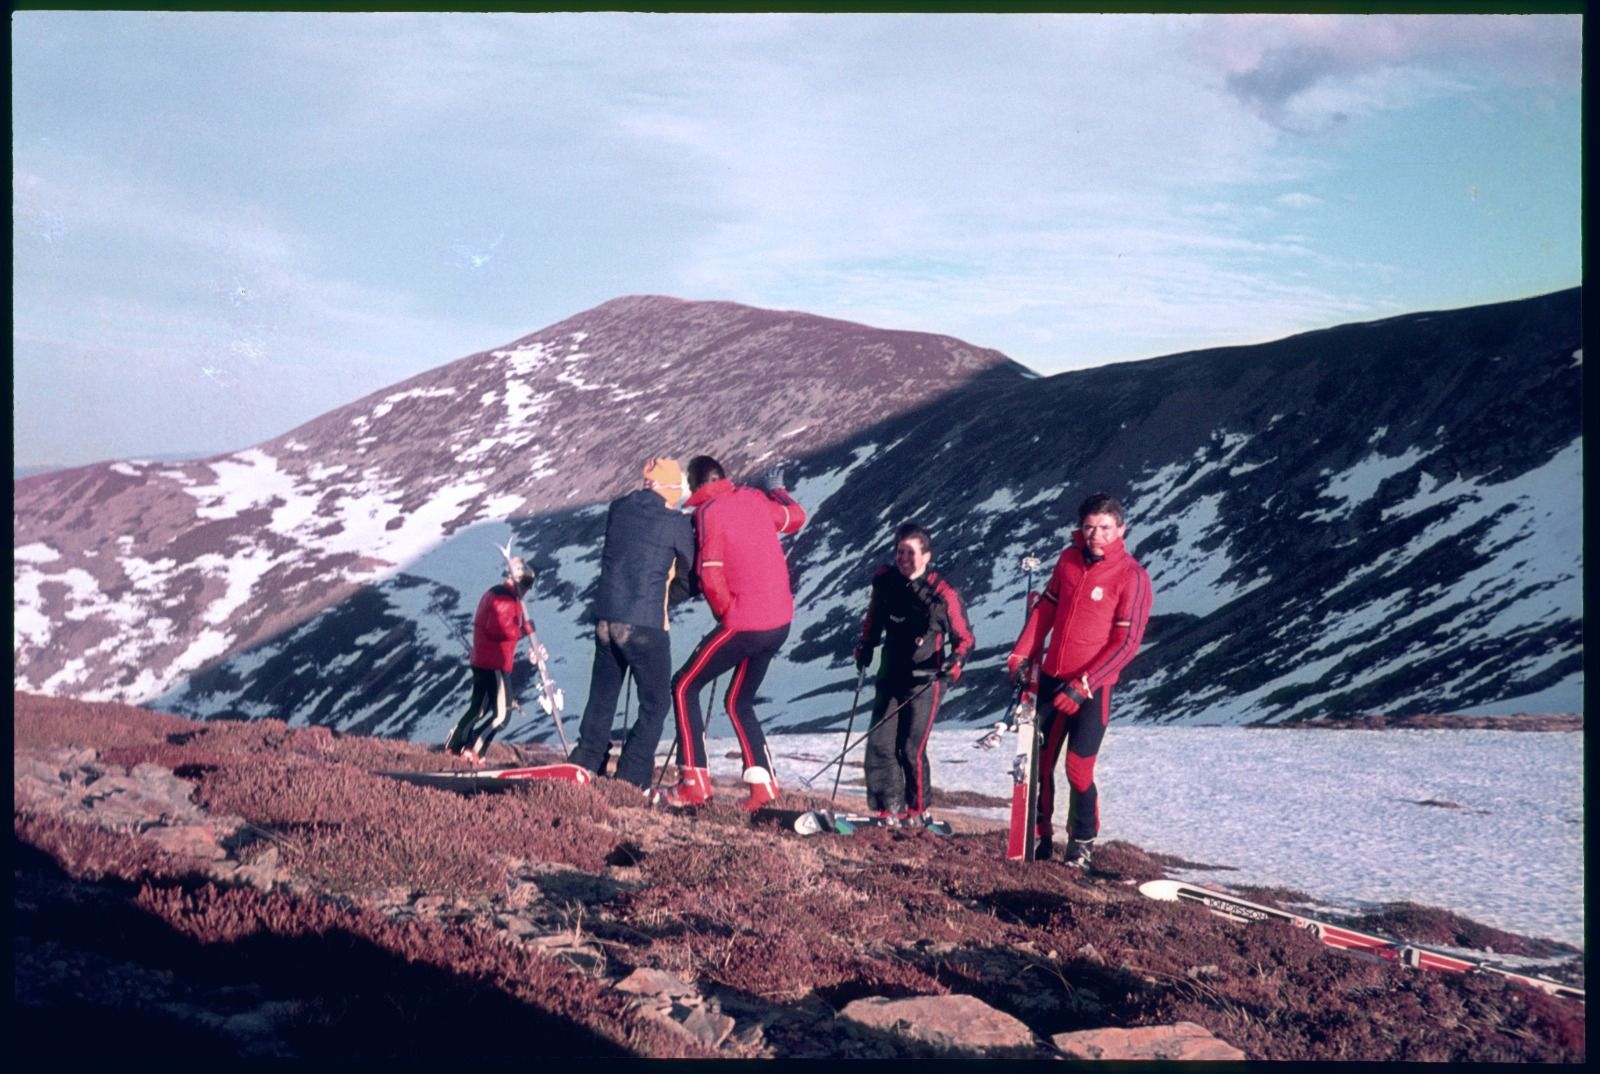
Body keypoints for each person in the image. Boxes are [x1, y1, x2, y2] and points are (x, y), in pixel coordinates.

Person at [1007, 493, 1152, 868]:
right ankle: (1038, 837)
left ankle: (1081, 844)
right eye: (1089, 527)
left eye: (1105, 528)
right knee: (1039, 764)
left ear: (1121, 529)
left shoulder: (1131, 577)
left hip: (1092, 690)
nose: (1096, 535)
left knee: (1077, 768)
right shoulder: (1069, 561)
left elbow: (1126, 644)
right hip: (1052, 680)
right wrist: (1022, 652)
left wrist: (1084, 684)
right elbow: (1047, 608)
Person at [660, 455, 806, 809]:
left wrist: (727, 614)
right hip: (780, 622)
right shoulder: (755, 499)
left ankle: (693, 782)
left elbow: (710, 574)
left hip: (745, 622)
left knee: (683, 686)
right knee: (739, 701)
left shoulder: (708, 512)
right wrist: (778, 490)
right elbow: (795, 518)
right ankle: (764, 788)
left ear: (695, 486)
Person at [568, 457, 697, 789]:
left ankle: (586, 762)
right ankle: (631, 777)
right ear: (671, 488)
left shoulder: (618, 509)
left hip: (606, 618)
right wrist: (670, 598)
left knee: (603, 695)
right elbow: (689, 573)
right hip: (645, 622)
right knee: (655, 702)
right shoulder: (675, 522)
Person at [853, 523, 974, 827]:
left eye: (910, 553)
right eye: (899, 552)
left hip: (926, 680)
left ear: (926, 556)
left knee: (910, 747)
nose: (904, 558)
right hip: (890, 674)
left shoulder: (941, 593)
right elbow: (874, 619)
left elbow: (965, 639)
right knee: (880, 743)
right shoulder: (885, 582)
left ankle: (918, 811)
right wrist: (865, 647)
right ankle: (887, 810)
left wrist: (955, 663)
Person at [446, 554, 539, 763]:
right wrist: (523, 630)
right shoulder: (505, 599)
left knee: (478, 709)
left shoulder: (493, 593)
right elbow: (499, 629)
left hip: (481, 660)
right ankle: (474, 749)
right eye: (526, 584)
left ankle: (454, 746)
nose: (526, 590)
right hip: (495, 664)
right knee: (502, 716)